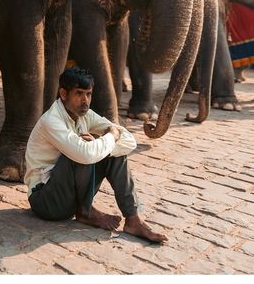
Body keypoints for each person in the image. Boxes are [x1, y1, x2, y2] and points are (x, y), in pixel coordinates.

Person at [24, 67, 168, 243]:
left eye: (89, 94)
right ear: (63, 93)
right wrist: (107, 139)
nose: (85, 100)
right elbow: (85, 154)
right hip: (46, 201)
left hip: (69, 197)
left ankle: (132, 219)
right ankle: (86, 212)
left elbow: (130, 141)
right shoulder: (51, 120)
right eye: (79, 93)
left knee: (113, 152)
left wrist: (105, 141)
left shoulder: (85, 115)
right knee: (85, 149)